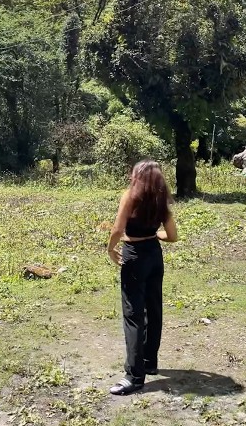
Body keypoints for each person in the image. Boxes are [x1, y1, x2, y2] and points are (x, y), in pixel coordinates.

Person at [105, 160, 178, 395]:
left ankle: (134, 377)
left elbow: (117, 229)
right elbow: (173, 236)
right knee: (153, 309)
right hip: (155, 255)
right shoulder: (161, 200)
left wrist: (110, 248)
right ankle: (149, 362)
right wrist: (154, 234)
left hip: (134, 256)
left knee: (133, 315)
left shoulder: (130, 197)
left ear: (136, 176)